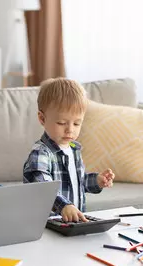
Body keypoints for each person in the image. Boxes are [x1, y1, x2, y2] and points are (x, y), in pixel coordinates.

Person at [23, 78, 115, 222]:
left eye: (77, 123)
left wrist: (97, 181)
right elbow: (42, 187)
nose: (70, 130)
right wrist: (64, 205)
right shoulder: (41, 153)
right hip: (46, 225)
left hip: (71, 223)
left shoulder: (73, 150)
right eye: (61, 123)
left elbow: (78, 182)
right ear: (42, 119)